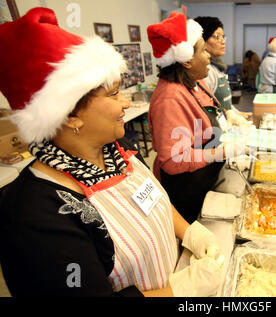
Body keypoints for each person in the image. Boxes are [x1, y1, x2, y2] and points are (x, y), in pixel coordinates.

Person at [0, 8, 223, 297]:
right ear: (70, 115)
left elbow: (152, 200)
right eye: (114, 94)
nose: (126, 104)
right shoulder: (34, 213)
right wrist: (180, 290)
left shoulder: (122, 152)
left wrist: (191, 232)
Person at [147, 12, 246, 224]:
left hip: (207, 176)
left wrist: (228, 115)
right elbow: (173, 160)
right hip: (187, 187)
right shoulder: (170, 98)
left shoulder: (194, 83)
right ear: (187, 61)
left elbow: (210, 111)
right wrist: (219, 151)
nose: (208, 55)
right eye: (203, 50)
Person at [194, 16, 251, 124]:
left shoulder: (218, 67)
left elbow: (223, 103)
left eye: (223, 36)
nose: (223, 41)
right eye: (216, 36)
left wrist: (237, 114)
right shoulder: (206, 71)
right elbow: (204, 111)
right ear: (202, 41)